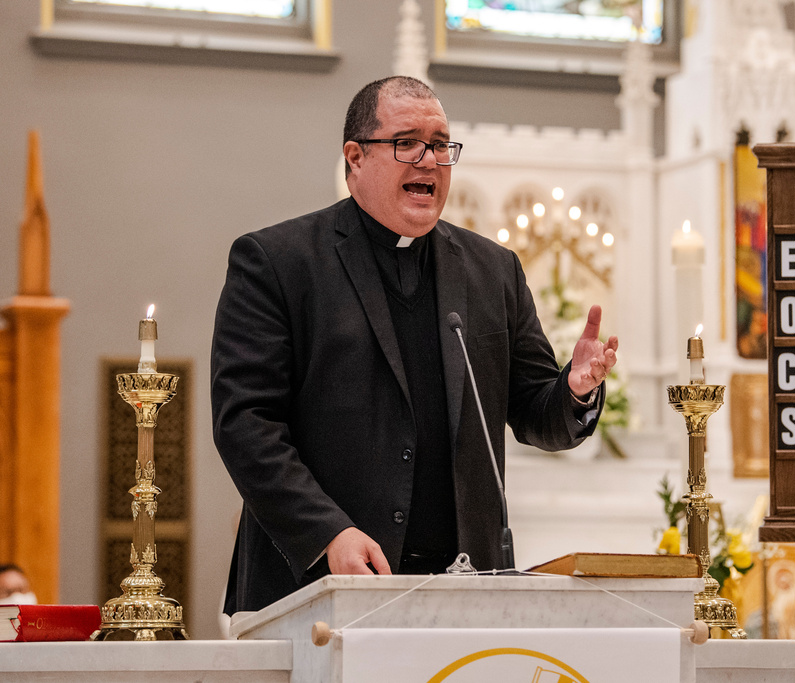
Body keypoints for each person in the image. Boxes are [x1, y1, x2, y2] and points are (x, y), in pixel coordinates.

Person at [211, 76, 618, 614]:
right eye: (407, 142)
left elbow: (536, 415)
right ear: (355, 157)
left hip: (462, 589)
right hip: (317, 583)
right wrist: (328, 533)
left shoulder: (492, 271)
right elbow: (246, 424)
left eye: (442, 144)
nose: (429, 160)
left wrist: (573, 390)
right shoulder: (279, 263)